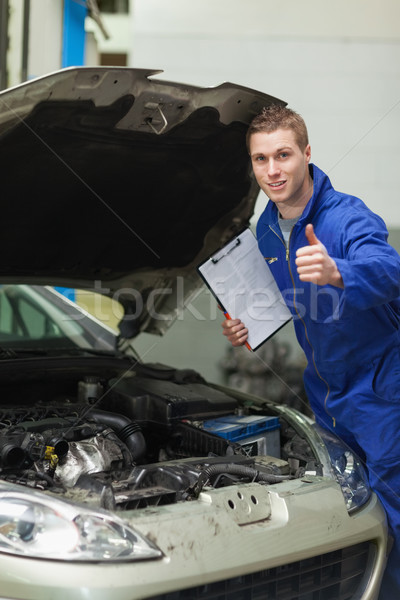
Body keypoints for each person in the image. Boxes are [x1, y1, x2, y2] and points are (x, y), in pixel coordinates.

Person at [221, 104, 400, 599]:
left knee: (395, 516)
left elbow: (389, 270)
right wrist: (246, 324)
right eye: (261, 160)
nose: (273, 171)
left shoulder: (346, 217)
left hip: (383, 391)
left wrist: (339, 271)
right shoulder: (265, 229)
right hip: (324, 395)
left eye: (283, 155)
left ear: (307, 154)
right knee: (348, 515)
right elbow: (281, 297)